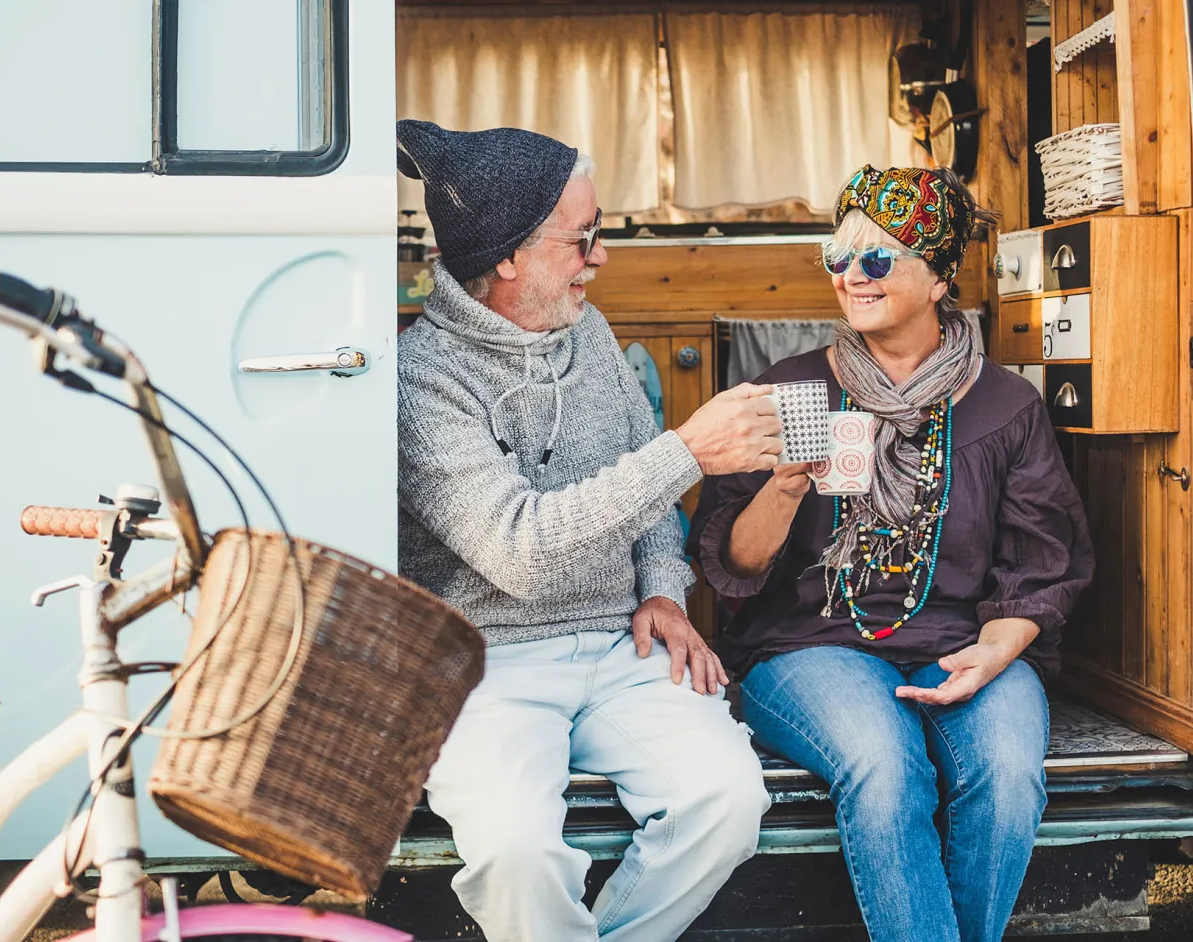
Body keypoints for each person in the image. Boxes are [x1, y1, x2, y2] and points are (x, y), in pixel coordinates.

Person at [689, 164, 1094, 942]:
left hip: (963, 645)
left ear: (940, 275)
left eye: (877, 259)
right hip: (810, 646)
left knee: (1009, 775)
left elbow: (1044, 563)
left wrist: (995, 649)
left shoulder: (1007, 407)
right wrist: (782, 488)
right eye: (838, 258)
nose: (851, 276)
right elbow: (733, 571)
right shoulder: (791, 391)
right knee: (884, 767)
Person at [396, 119, 775, 942]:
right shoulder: (419, 381)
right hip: (482, 664)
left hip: (617, 649)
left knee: (730, 802)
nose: (600, 257)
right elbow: (521, 552)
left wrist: (666, 593)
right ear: (505, 257)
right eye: (584, 239)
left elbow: (648, 507)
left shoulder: (589, 334)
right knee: (515, 857)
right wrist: (688, 451)